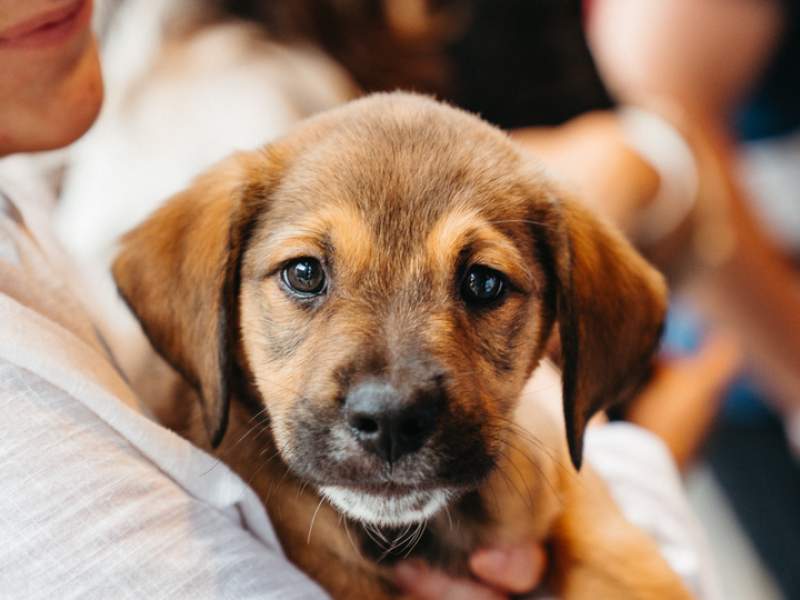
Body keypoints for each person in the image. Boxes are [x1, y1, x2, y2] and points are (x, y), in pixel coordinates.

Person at [0, 1, 717, 598]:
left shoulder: (23, 208)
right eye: (306, 276)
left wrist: (597, 525)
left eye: (481, 285)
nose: (391, 403)